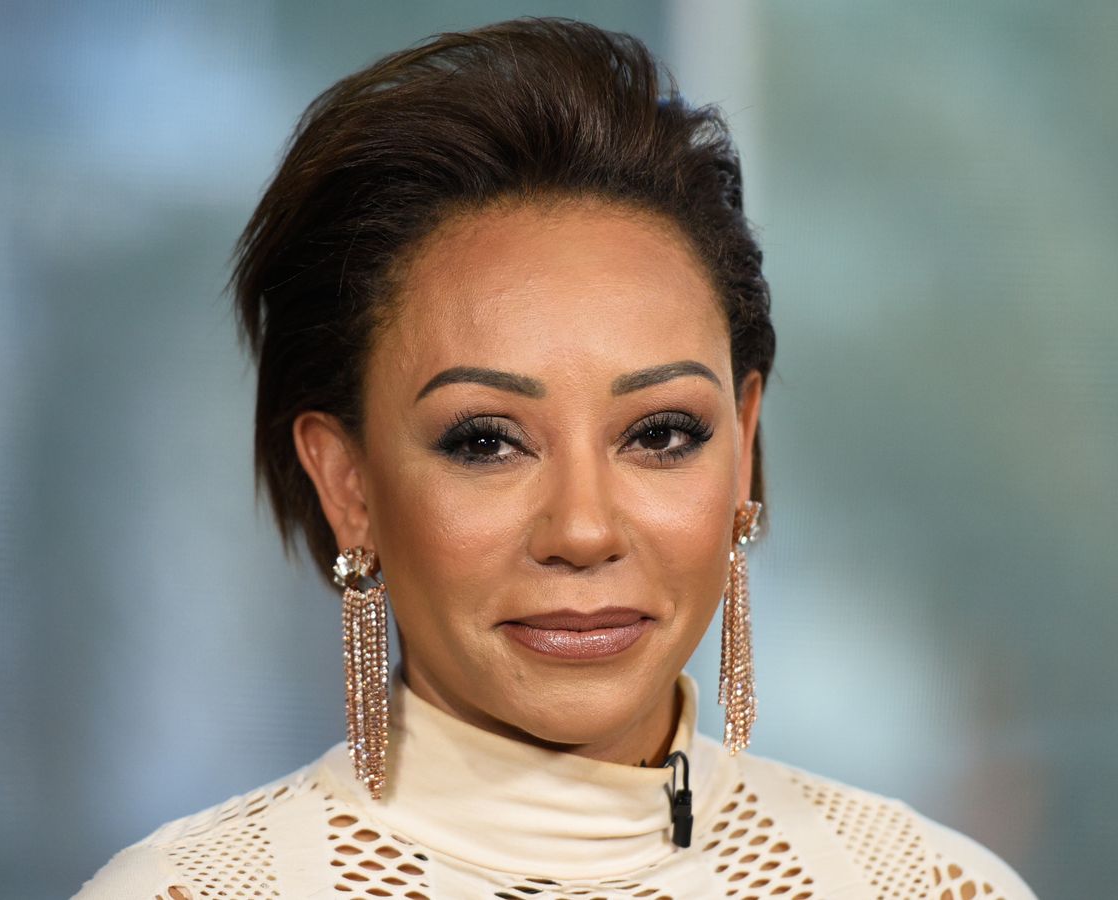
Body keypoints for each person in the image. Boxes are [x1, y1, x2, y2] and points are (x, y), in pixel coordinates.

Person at [73, 18, 1036, 899]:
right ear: (347, 483)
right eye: (485, 441)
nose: (582, 529)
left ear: (743, 445)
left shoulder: (936, 887)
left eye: (661, 434)